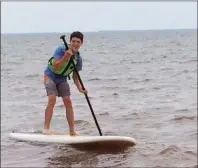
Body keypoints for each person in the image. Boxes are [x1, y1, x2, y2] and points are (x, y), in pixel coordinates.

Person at [43, 31, 87, 136]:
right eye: (73, 41)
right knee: (52, 99)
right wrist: (65, 57)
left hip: (62, 79)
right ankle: (46, 128)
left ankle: (72, 131)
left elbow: (75, 77)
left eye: (78, 42)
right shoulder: (61, 50)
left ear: (81, 43)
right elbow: (55, 67)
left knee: (68, 101)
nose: (75, 44)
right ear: (70, 41)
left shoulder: (78, 59)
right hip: (50, 76)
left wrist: (81, 89)